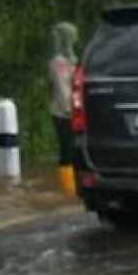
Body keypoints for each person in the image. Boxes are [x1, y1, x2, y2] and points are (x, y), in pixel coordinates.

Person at [45, 22, 79, 195]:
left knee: (74, 147)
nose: (76, 39)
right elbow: (61, 87)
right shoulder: (58, 62)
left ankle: (74, 184)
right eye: (72, 36)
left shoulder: (71, 59)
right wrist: (69, 109)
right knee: (67, 147)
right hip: (63, 112)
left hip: (73, 110)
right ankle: (67, 188)